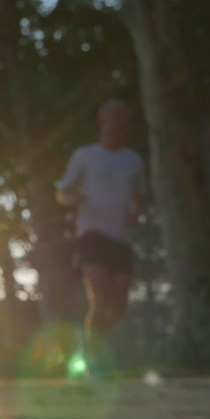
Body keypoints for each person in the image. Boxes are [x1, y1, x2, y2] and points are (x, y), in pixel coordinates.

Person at [55, 99, 147, 376]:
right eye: (114, 118)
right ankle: (93, 361)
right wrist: (73, 196)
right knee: (100, 298)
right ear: (102, 121)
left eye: (124, 119)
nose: (119, 124)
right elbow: (62, 192)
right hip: (91, 234)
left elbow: (141, 194)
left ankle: (102, 349)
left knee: (118, 306)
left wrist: (136, 212)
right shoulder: (85, 155)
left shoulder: (133, 160)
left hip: (121, 237)